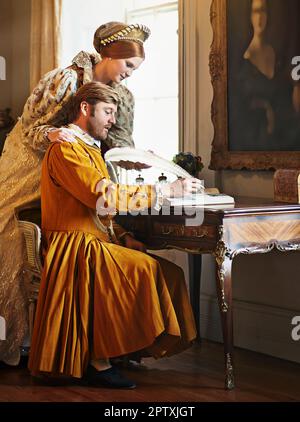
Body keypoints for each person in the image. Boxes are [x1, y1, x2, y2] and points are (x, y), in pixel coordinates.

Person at [28, 81, 200, 388]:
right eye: (107, 111)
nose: (112, 119)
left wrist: (122, 237)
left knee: (169, 272)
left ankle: (126, 348)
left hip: (95, 239)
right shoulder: (66, 148)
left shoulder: (89, 149)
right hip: (73, 246)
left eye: (114, 112)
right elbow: (102, 197)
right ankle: (99, 361)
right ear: (85, 109)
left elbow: (99, 213)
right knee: (144, 269)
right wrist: (166, 190)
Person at [0, 21, 152, 365]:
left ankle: (95, 342)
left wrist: (135, 160)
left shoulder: (122, 97)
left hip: (79, 164)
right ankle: (15, 341)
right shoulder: (65, 78)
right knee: (10, 236)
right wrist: (53, 136)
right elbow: (31, 128)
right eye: (128, 65)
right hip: (29, 162)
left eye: (135, 69)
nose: (130, 74)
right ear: (109, 55)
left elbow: (118, 143)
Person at [229, 0, 300, 151]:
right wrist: (265, 107)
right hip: (254, 140)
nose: (260, 17)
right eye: (256, 11)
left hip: (283, 140)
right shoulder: (244, 61)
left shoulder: (278, 55)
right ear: (249, 16)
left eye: (263, 11)